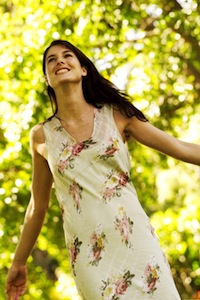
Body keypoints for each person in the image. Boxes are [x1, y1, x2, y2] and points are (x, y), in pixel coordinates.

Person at [5, 39, 200, 300]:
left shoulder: (117, 114)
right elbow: (37, 206)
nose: (60, 61)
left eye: (67, 56)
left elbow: (179, 147)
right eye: (51, 59)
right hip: (90, 257)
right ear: (47, 79)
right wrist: (19, 262)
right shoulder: (42, 136)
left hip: (138, 242)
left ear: (83, 69)